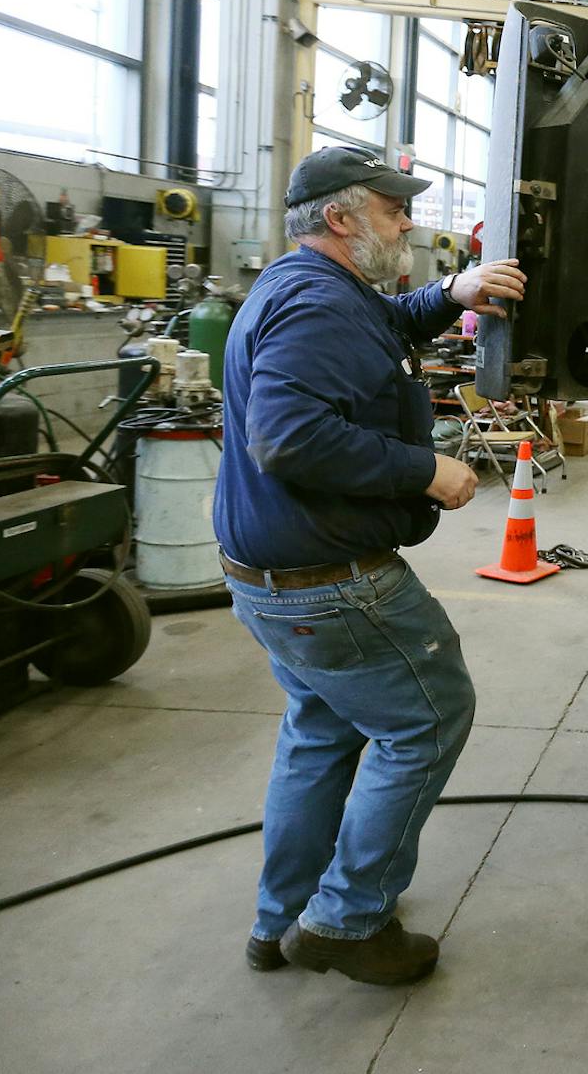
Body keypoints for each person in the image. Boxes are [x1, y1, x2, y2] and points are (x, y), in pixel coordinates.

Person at [215, 147, 526, 985]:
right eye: (393, 210)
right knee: (425, 718)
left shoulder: (314, 289)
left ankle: (281, 921)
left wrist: (449, 297)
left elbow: (377, 329)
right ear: (342, 220)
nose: (408, 222)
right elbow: (289, 436)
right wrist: (423, 469)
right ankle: (349, 919)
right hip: (331, 582)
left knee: (322, 732)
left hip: (271, 579)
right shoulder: (316, 306)